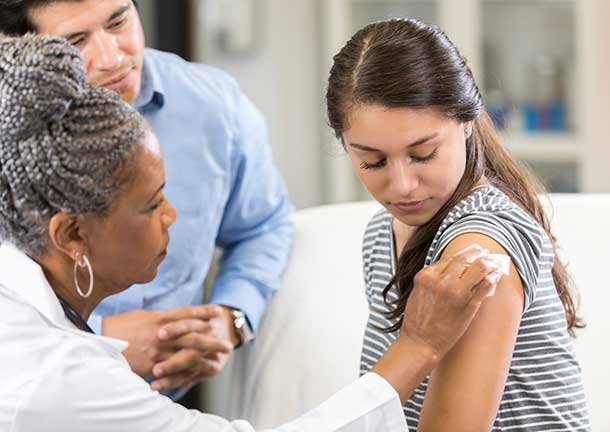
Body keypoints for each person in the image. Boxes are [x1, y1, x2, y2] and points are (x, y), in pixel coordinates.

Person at [0, 34, 507, 431]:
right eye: (152, 203)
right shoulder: (57, 378)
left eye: (422, 154)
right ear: (70, 236)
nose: (173, 215)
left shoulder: (480, 240)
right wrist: (416, 345)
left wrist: (233, 316)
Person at [0, 0, 294, 399]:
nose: (112, 57)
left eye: (118, 21)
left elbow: (264, 226)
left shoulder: (214, 105)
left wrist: (231, 318)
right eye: (75, 40)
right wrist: (95, 337)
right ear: (14, 45)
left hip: (171, 403)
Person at [325, 17, 591, 431]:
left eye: (423, 153)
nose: (401, 186)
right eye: (372, 161)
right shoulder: (382, 231)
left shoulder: (479, 247)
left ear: (467, 121)